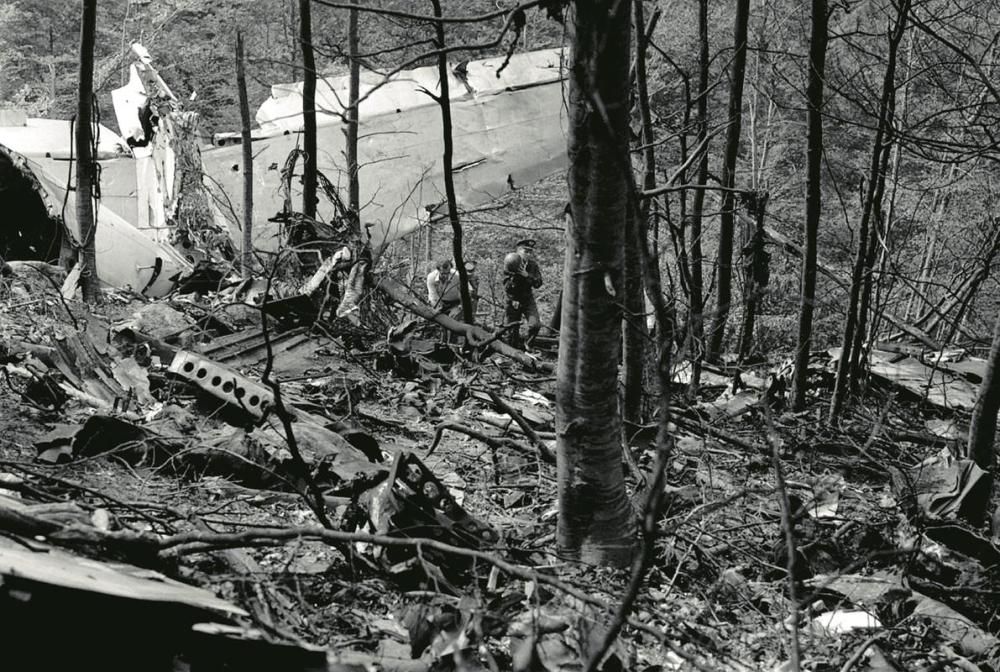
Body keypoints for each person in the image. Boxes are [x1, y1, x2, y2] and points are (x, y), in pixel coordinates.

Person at [503, 238, 542, 350]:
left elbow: (538, 283)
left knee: (535, 325)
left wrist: (527, 275)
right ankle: (513, 353)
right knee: (512, 330)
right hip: (513, 299)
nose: (529, 254)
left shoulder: (533, 265)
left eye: (530, 252)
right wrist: (515, 276)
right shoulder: (510, 262)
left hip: (527, 298)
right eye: (526, 251)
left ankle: (528, 345)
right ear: (518, 251)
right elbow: (506, 286)